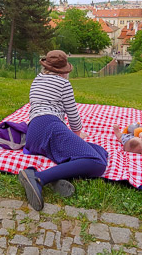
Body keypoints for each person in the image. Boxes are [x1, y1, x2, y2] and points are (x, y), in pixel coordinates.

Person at [19, 50, 108, 211]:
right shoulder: (63, 84)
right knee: (98, 163)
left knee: (99, 150)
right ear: (64, 71)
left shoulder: (37, 79)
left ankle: (59, 174)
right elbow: (73, 116)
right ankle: (38, 178)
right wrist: (78, 136)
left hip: (33, 133)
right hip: (49, 126)